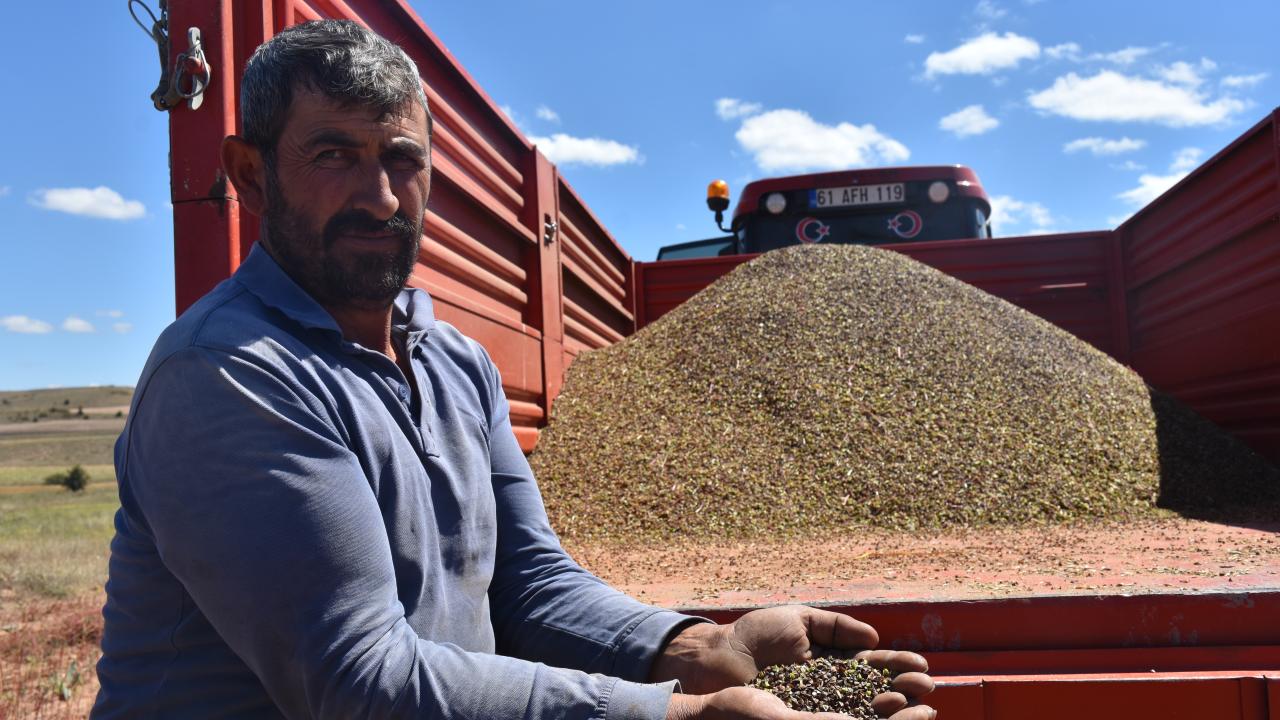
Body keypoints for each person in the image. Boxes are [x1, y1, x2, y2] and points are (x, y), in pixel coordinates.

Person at [92, 19, 935, 720]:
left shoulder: (455, 364)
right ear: (251, 175)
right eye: (333, 155)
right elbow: (356, 682)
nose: (381, 196)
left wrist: (699, 646)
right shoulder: (229, 375)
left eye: (402, 158)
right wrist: (676, 714)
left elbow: (529, 586)